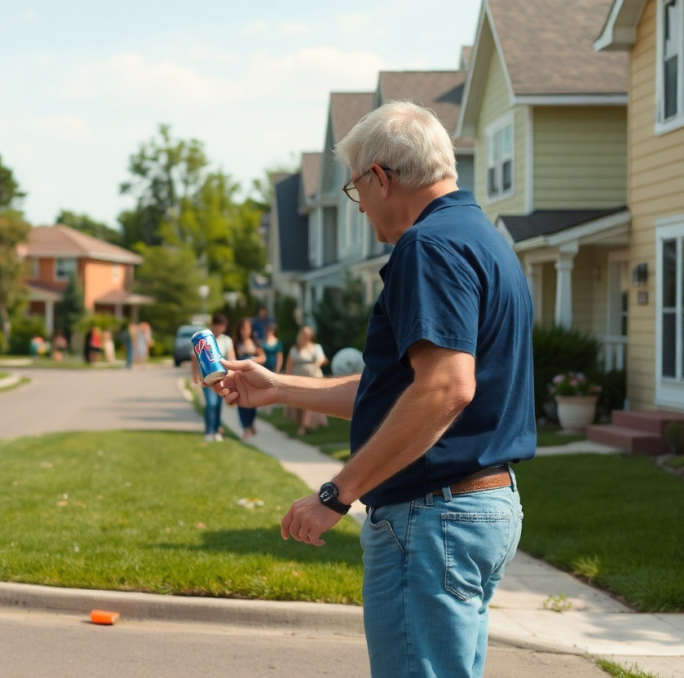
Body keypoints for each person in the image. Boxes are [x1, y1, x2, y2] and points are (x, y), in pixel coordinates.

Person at [212, 101, 534, 678]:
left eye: (356, 191)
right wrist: (280, 387)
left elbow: (443, 391)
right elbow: (404, 389)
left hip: (434, 517)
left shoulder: (427, 246)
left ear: (380, 178)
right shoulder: (481, 239)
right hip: (481, 508)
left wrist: (337, 494)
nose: (359, 208)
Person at [190, 313, 235, 442]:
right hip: (207, 378)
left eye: (223, 326)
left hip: (222, 378)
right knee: (210, 404)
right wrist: (194, 377)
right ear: (213, 325)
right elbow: (194, 359)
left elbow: (232, 358)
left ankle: (217, 430)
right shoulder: (203, 340)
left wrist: (232, 374)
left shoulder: (227, 340)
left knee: (218, 405)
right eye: (219, 325)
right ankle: (209, 431)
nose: (221, 328)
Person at [284, 326, 328, 436]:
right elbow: (289, 365)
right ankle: (301, 424)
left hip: (313, 376)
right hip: (298, 377)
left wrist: (315, 366)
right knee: (299, 402)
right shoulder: (295, 349)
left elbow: (322, 359)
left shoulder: (316, 347)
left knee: (310, 401)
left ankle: (305, 426)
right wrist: (286, 380)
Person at [233, 317, 264, 438]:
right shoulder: (236, 343)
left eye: (246, 328)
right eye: (242, 328)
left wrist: (253, 360)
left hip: (252, 377)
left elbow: (263, 357)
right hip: (240, 377)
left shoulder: (255, 343)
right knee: (241, 403)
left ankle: (251, 423)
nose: (244, 330)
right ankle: (245, 427)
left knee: (253, 403)